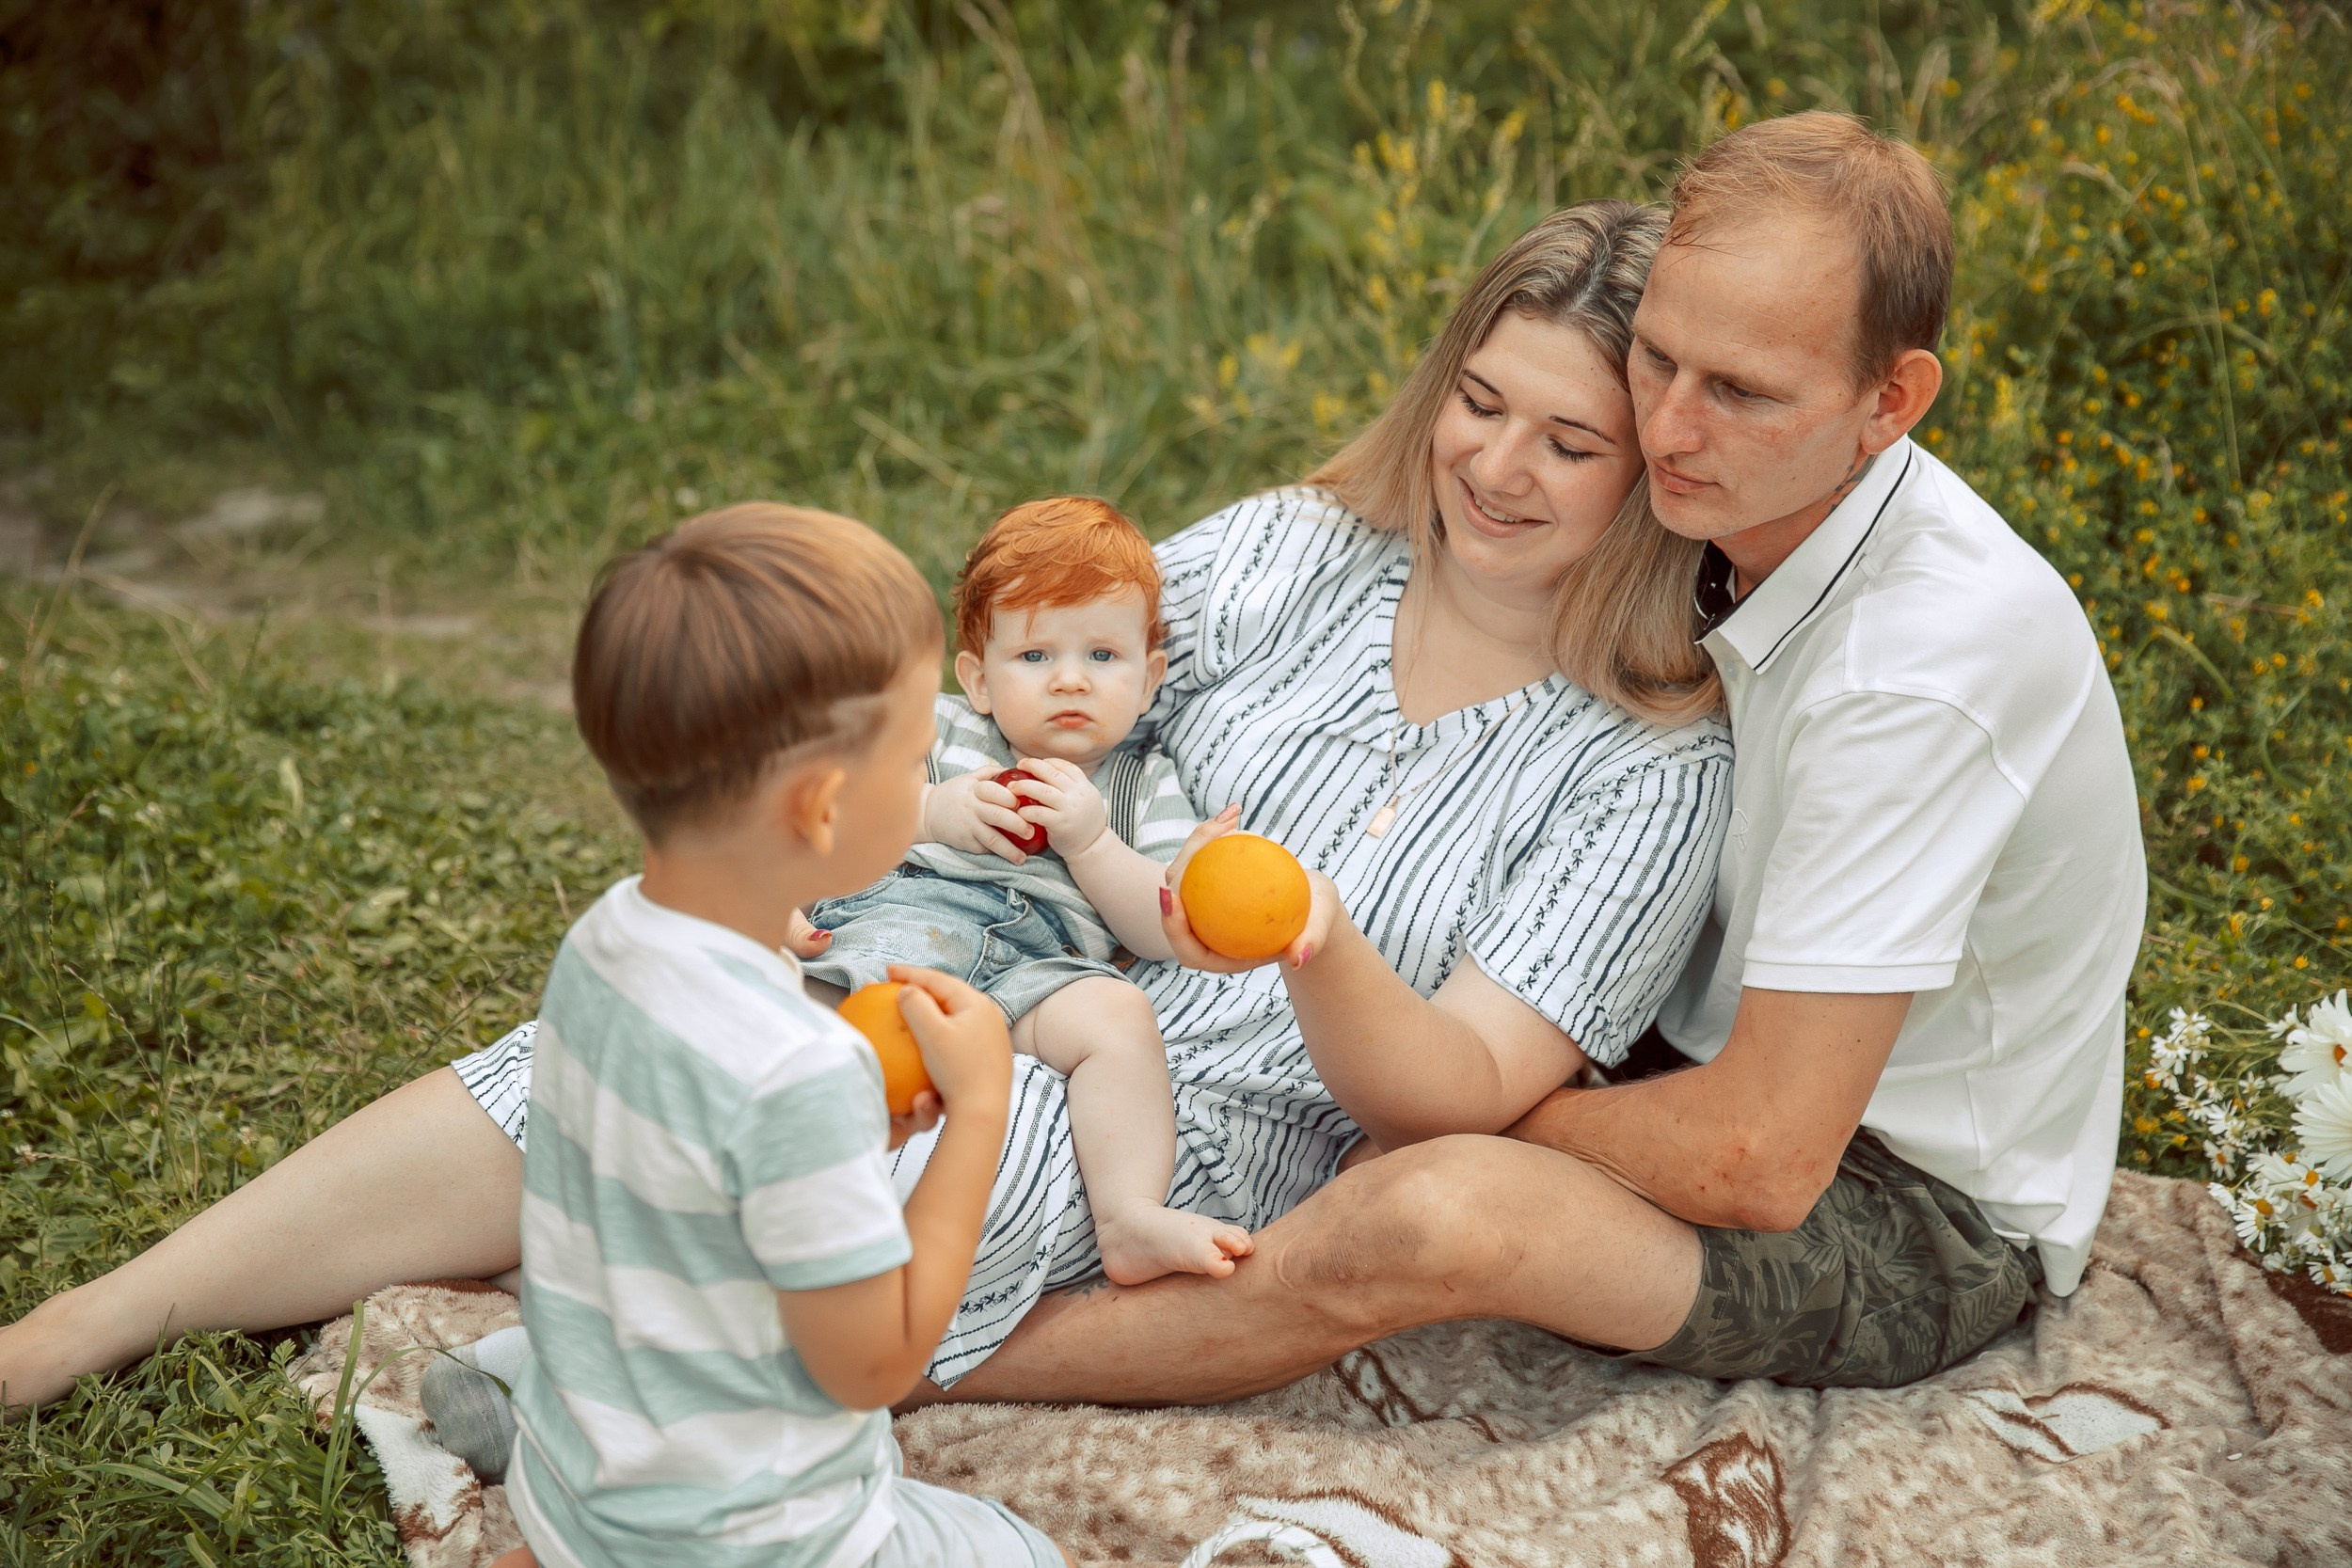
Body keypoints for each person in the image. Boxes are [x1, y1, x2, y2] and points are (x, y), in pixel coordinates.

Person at [0, 196, 1733, 1409]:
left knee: (868, 1133)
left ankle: (596, 1371)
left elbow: (1460, 1097)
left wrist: (1320, 941)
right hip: (1014, 952)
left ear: (1654, 477)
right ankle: (95, 1317)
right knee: (669, 1025)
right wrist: (923, 830)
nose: (1494, 469)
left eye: (1567, 446)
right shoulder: (1297, 554)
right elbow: (1033, 683)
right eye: (1479, 405)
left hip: (1204, 1129)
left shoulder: (1653, 766)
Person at [934, 110, 2143, 1404]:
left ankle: (923, 1363)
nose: (1673, 427)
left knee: (1431, 1209)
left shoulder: (1909, 670)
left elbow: (1759, 1154)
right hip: (1671, 1061)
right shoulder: (1702, 527)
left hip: (1888, 1188)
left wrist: (1435, 1103)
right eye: (1660, 365)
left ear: (1888, 402)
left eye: (1732, 391)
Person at [501, 503, 1067, 1568]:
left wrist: (864, 1128)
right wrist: (979, 1114)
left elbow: (702, 1181)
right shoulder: (798, 1065)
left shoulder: (605, 940)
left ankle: (529, 1472)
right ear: (817, 810)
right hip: (752, 1541)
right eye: (915, 761)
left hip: (579, 1483)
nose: (930, 781)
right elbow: (873, 1367)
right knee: (1025, 1551)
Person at [800, 496, 1252, 1286]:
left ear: (1149, 681)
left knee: (1119, 1015)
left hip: (1032, 975)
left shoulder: (1142, 787)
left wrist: (1092, 842)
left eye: (1103, 657)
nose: (1071, 680)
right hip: (896, 930)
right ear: (978, 678)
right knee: (791, 989)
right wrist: (932, 811)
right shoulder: (940, 733)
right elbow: (838, 812)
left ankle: (1129, 1215)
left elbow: (1159, 928)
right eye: (1036, 657)